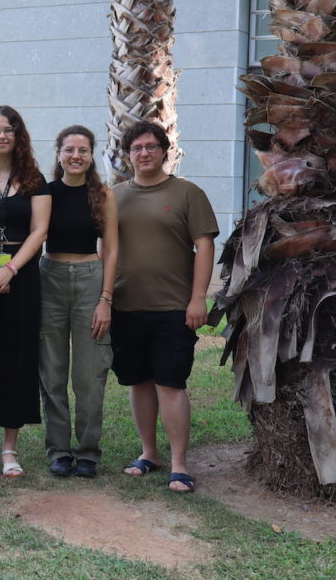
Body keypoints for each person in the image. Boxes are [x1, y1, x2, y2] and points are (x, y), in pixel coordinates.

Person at [111, 122, 218, 494]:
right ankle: (149, 454)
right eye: (137, 148)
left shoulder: (188, 193)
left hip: (173, 308)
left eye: (151, 146)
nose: (144, 153)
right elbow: (105, 249)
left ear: (164, 150)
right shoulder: (114, 196)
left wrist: (198, 298)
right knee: (138, 382)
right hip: (126, 307)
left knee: (170, 384)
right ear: (128, 154)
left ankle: (179, 465)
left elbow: (205, 246)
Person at [0, 106, 51, 478]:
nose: (1, 136)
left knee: (17, 359)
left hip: (22, 277)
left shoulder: (34, 179)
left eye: (8, 130)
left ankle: (9, 449)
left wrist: (10, 269)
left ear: (18, 136)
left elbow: (40, 231)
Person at [39, 125, 118, 479]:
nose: (75, 156)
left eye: (82, 150)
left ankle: (87, 452)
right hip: (50, 279)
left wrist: (105, 299)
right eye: (69, 149)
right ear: (58, 153)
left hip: (90, 280)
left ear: (91, 155)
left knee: (89, 373)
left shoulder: (103, 195)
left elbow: (111, 250)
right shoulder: (45, 192)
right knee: (52, 370)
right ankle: (59, 449)